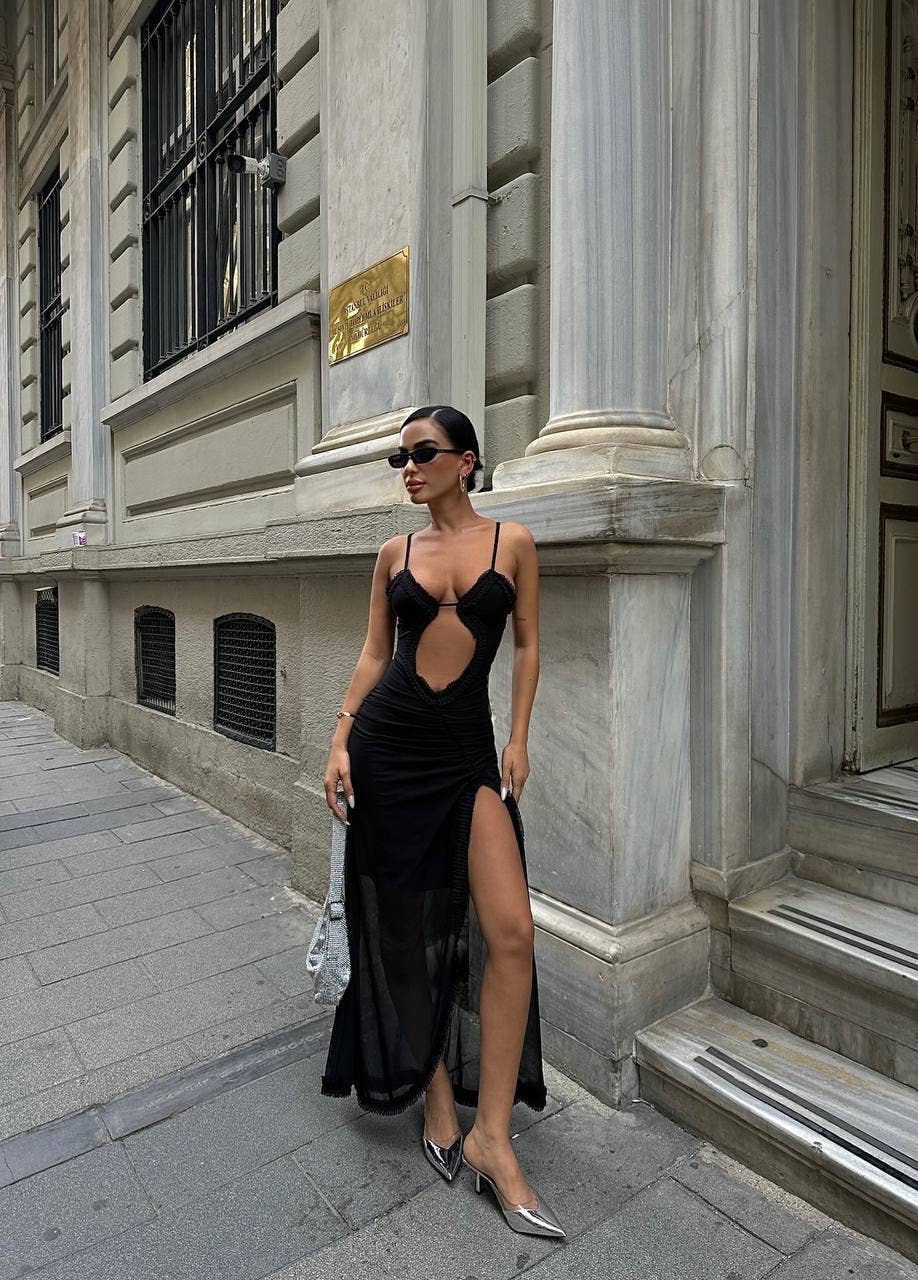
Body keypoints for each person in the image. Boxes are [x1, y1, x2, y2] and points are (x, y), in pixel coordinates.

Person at [320, 405, 565, 1240]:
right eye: (399, 458)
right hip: (388, 749)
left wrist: (520, 737)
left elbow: (527, 645)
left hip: (465, 754)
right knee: (403, 925)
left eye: (421, 453)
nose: (408, 469)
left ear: (465, 460)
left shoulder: (513, 543)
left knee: (511, 933)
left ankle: (492, 1135)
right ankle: (434, 1094)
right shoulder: (396, 553)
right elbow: (374, 653)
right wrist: (341, 738)